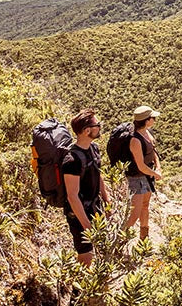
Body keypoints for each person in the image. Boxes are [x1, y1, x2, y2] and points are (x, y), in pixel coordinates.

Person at [63, 108, 111, 266]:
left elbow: (98, 174)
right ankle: (78, 290)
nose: (100, 127)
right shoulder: (72, 160)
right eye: (97, 124)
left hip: (95, 207)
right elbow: (72, 196)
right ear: (87, 130)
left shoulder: (94, 148)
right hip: (79, 213)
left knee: (99, 250)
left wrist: (106, 199)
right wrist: (86, 225)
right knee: (86, 255)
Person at [123, 105, 162, 241]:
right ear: (147, 120)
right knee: (135, 211)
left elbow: (153, 151)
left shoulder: (146, 133)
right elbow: (140, 165)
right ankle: (120, 240)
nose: (155, 120)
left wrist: (158, 167)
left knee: (145, 206)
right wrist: (156, 174)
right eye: (153, 118)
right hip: (137, 177)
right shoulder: (135, 140)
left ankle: (144, 237)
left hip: (147, 175)